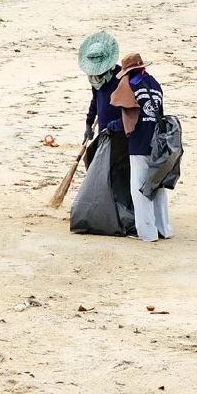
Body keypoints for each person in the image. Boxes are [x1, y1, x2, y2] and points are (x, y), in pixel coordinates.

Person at [112, 53, 172, 242]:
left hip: (139, 143)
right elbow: (159, 113)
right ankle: (164, 229)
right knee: (157, 185)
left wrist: (112, 126)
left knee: (140, 188)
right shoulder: (155, 84)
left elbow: (130, 116)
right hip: (158, 141)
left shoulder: (130, 85)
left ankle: (147, 233)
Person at [78, 31, 123, 142]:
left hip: (121, 131)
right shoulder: (95, 79)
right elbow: (95, 100)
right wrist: (89, 123)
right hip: (103, 130)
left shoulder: (122, 76)